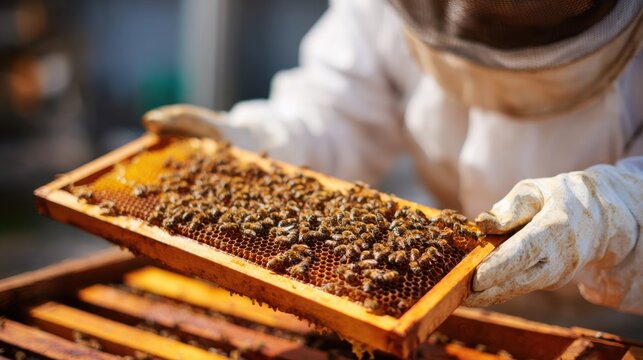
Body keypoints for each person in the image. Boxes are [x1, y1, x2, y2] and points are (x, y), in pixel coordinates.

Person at [143, 0, 643, 314]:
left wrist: (611, 213)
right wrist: (259, 139)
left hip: (605, 317)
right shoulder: (383, 9)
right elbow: (336, 110)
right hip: (441, 304)